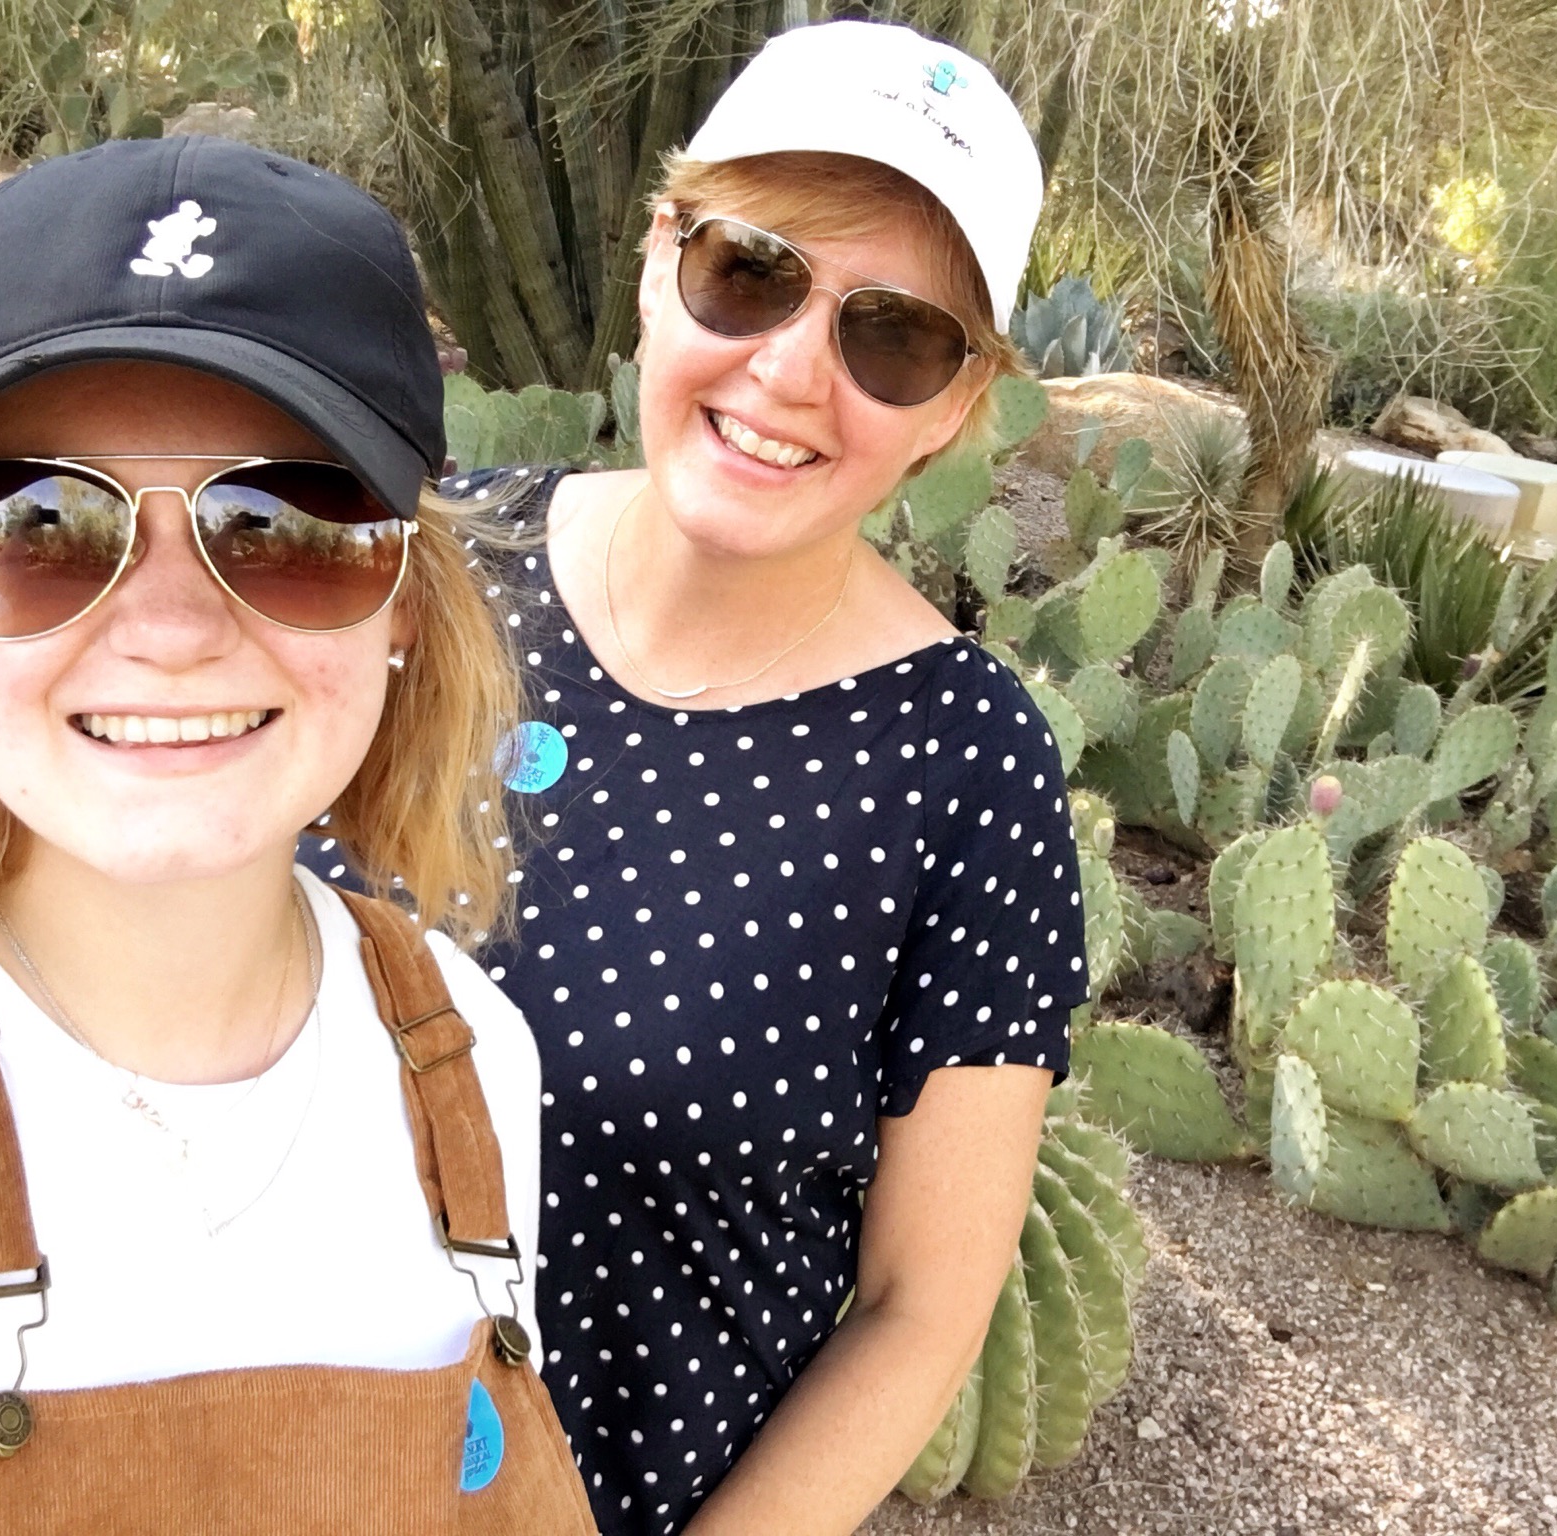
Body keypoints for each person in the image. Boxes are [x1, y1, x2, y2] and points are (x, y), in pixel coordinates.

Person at [0, 137, 595, 1534]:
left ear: (408, 598)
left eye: (286, 520)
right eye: (34, 523)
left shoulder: (466, 1061)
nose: (167, 630)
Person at [305, 21, 1087, 1535]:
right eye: (753, 268)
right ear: (660, 259)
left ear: (957, 407)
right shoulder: (430, 570)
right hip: (227, 1451)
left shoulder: (966, 767)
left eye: (896, 336)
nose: (792, 369)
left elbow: (921, 1306)